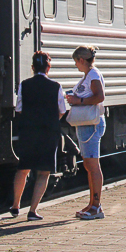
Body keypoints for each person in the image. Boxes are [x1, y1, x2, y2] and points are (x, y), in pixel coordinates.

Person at [10, 51, 66, 221]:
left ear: (33, 67)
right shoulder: (56, 86)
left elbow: (19, 109)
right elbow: (62, 111)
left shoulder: (24, 85)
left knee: (23, 168)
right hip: (49, 133)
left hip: (28, 132)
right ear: (48, 67)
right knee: (43, 172)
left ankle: (15, 205)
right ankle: (32, 211)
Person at [66, 45, 106, 220]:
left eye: (76, 62)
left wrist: (78, 100)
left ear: (81, 60)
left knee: (93, 166)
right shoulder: (89, 75)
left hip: (91, 125)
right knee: (89, 166)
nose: (76, 66)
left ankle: (96, 206)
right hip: (86, 125)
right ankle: (92, 204)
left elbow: (100, 96)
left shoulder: (93, 75)